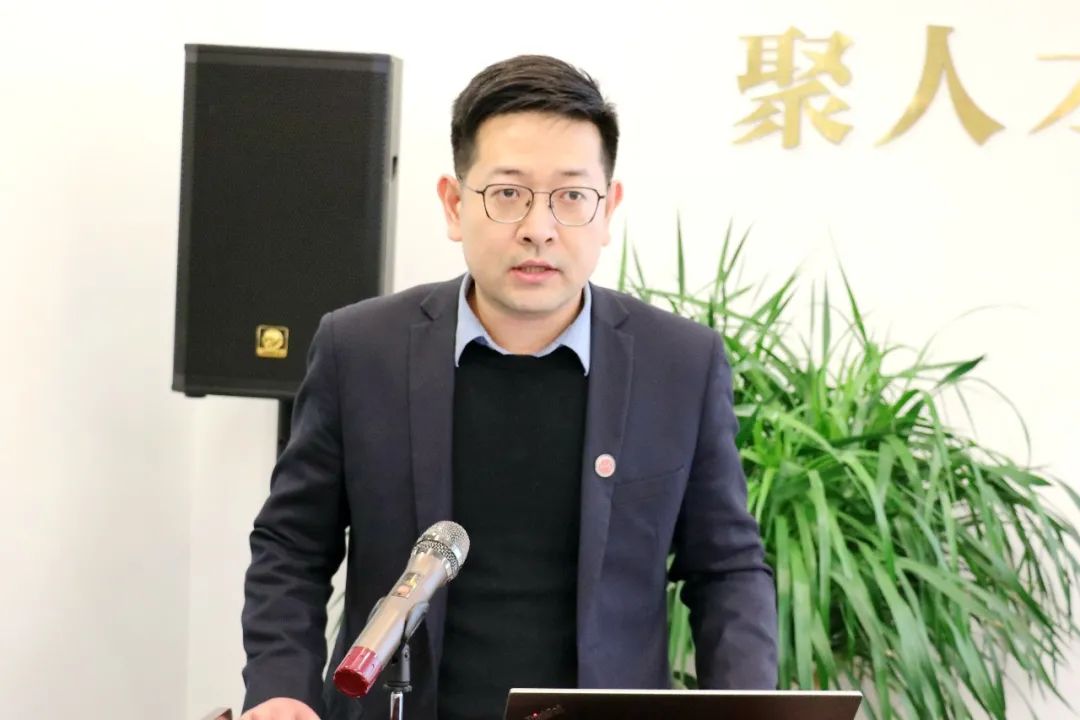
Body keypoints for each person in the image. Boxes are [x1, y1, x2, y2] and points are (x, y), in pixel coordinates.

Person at [239, 54, 778, 720]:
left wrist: (747, 705)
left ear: (607, 210)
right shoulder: (360, 349)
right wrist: (281, 688)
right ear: (454, 204)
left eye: (571, 196)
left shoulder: (680, 364)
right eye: (508, 193)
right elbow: (293, 545)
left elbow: (726, 569)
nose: (538, 228)